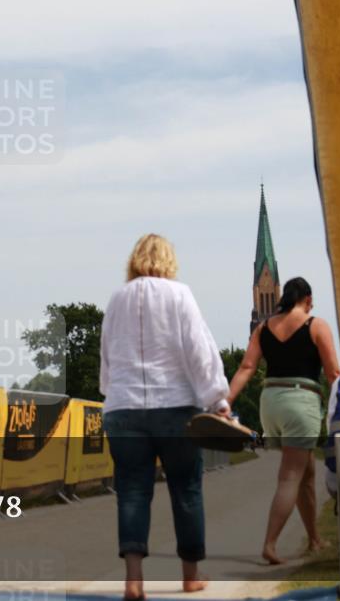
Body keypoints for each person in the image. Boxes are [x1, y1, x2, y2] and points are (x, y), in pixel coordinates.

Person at [100, 234, 230, 599]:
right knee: (186, 489)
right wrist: (217, 399)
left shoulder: (117, 298)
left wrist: (111, 391)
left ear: (134, 260)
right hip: (174, 407)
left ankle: (134, 581)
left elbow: (107, 355)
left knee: (131, 491)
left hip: (124, 408)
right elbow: (198, 350)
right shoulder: (180, 295)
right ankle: (190, 576)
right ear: (169, 261)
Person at [227, 277, 340, 565]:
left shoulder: (264, 327)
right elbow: (333, 374)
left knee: (306, 475)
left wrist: (225, 402)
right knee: (290, 476)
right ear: (304, 298)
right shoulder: (315, 324)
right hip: (299, 402)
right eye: (311, 300)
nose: (313, 305)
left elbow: (247, 367)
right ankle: (270, 544)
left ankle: (314, 539)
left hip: (270, 403)